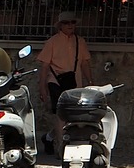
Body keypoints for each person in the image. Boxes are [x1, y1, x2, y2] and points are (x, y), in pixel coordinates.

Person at [37, 11, 93, 154]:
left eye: (72, 22)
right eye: (66, 23)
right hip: (56, 82)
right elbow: (44, 66)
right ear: (60, 25)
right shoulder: (52, 42)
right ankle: (61, 148)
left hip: (75, 83)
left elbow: (85, 63)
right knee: (61, 114)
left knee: (72, 117)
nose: (70, 25)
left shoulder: (80, 41)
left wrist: (91, 82)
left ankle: (49, 137)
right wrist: (42, 88)